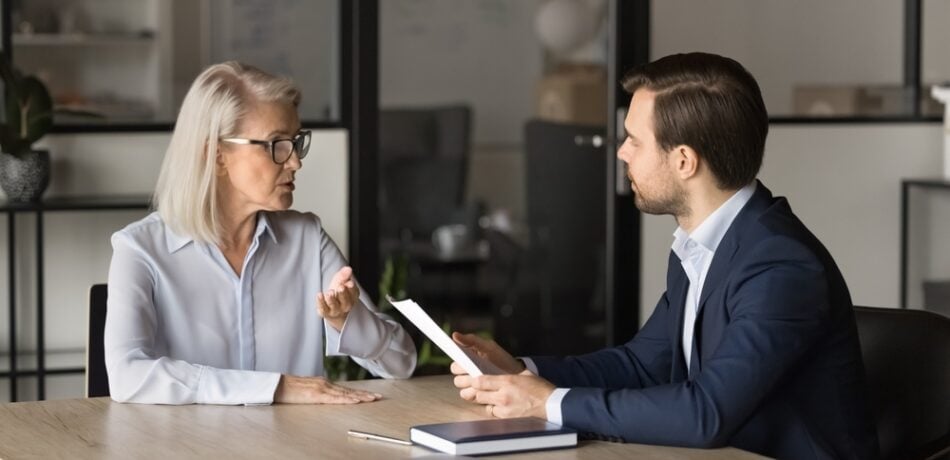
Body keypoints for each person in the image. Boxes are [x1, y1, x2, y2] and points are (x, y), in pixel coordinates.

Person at [451, 52, 879, 459]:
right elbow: (641, 365)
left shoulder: (780, 265)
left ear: (684, 161)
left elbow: (706, 413)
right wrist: (520, 370)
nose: (620, 152)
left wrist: (549, 404)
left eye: (634, 140)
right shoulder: (700, 246)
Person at [105, 62, 416, 405]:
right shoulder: (139, 249)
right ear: (217, 154)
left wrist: (347, 321)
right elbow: (126, 375)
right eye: (277, 144)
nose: (295, 161)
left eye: (296, 142)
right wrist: (276, 386)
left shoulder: (307, 240)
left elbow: (401, 363)